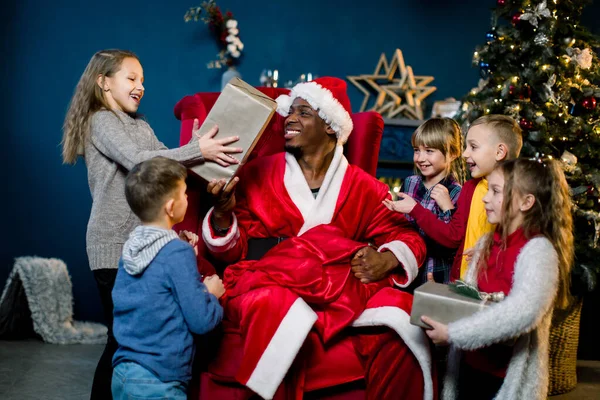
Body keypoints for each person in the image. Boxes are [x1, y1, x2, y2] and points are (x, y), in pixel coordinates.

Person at [201, 77, 433, 400]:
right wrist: (224, 215)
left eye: (304, 112)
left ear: (329, 125)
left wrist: (388, 258)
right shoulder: (257, 174)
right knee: (274, 306)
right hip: (267, 282)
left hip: (336, 292)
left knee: (401, 319)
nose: (290, 119)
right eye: (290, 111)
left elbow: (407, 236)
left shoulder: (362, 186)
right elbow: (234, 252)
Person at [60, 49, 241, 399]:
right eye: (131, 78)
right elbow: (139, 162)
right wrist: (196, 150)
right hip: (112, 246)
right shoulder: (102, 121)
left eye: (142, 80)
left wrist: (195, 145)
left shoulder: (139, 124)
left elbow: (165, 174)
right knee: (121, 340)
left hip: (144, 242)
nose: (140, 86)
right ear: (104, 82)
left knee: (143, 337)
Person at [422, 158, 574, 400]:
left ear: (526, 202)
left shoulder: (539, 251)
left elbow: (521, 312)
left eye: (495, 191)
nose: (485, 198)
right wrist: (445, 296)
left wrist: (453, 333)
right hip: (469, 367)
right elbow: (475, 296)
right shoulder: (486, 243)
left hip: (503, 379)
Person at [111, 156, 225, 399]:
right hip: (159, 379)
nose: (187, 198)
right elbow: (201, 320)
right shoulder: (176, 253)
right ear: (171, 207)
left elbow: (153, 290)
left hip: (124, 373)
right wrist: (211, 295)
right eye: (184, 193)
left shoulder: (132, 246)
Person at [384, 115, 522, 281]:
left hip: (487, 281)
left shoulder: (512, 194)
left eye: (473, 147)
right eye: (417, 150)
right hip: (454, 280)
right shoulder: (470, 189)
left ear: (499, 152)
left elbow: (514, 244)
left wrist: (441, 209)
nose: (465, 153)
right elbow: (454, 236)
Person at [384, 118, 464, 284]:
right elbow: (403, 228)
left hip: (437, 276)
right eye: (416, 150)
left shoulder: (457, 193)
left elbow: (452, 244)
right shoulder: (410, 183)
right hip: (409, 270)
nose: (420, 158)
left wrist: (447, 209)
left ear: (453, 153)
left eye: (429, 151)